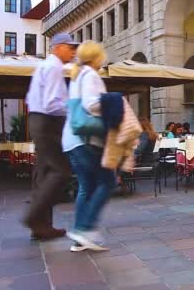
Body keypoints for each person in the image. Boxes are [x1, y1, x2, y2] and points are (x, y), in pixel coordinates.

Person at [24, 32, 78, 240]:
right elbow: (52, 104)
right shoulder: (54, 67)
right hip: (48, 122)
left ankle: (41, 226)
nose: (73, 51)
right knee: (61, 171)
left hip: (38, 120)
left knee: (44, 173)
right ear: (57, 47)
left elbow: (33, 99)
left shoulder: (44, 67)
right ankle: (34, 216)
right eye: (69, 46)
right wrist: (73, 108)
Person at [62, 40, 115, 252]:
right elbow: (91, 105)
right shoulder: (91, 75)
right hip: (85, 139)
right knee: (107, 181)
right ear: (97, 57)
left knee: (87, 186)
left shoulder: (76, 76)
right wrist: (113, 104)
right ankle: (84, 228)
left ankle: (79, 237)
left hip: (71, 140)